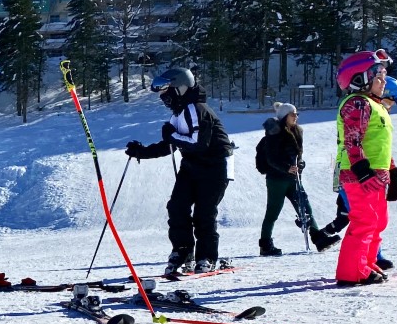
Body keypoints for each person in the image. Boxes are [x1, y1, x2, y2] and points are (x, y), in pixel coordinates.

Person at [126, 66, 235, 275]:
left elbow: (198, 143)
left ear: (180, 88)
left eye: (166, 92)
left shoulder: (197, 109)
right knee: (177, 207)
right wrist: (141, 152)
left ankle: (206, 257)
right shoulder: (180, 112)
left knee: (204, 213)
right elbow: (170, 145)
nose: (164, 98)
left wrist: (171, 136)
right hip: (192, 166)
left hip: (215, 167)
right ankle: (183, 251)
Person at [333, 50, 396, 287]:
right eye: (378, 77)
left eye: (384, 76)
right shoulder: (357, 103)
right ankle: (351, 272)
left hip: (376, 173)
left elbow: (380, 144)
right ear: (360, 79)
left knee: (378, 221)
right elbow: (353, 138)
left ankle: (365, 263)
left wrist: (393, 171)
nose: (384, 82)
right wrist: (362, 169)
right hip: (359, 174)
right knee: (365, 221)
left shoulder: (375, 105)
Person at [255, 103, 340, 256]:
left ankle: (318, 239)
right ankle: (265, 245)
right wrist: (286, 167)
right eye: (293, 114)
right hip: (276, 179)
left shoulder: (296, 131)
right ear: (284, 116)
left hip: (293, 178)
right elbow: (271, 158)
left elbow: (296, 155)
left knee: (305, 207)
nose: (296, 117)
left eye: (296, 114)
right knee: (273, 212)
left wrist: (300, 164)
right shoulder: (274, 133)